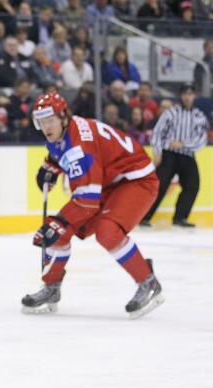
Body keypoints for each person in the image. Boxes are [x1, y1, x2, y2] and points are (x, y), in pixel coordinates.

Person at [23, 92, 164, 319]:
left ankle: (149, 282)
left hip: (136, 181)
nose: (46, 127)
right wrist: (51, 166)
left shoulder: (80, 148)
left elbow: (87, 202)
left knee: (105, 231)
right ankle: (52, 288)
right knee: (59, 232)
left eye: (50, 120)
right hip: (109, 180)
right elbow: (63, 151)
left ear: (63, 117)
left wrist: (58, 223)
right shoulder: (65, 131)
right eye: (41, 121)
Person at [142, 83, 209, 228]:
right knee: (159, 185)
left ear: (194, 96)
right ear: (181, 96)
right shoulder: (170, 113)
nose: (187, 97)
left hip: (187, 155)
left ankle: (180, 217)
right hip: (169, 155)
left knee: (192, 185)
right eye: (185, 94)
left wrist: (183, 143)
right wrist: (157, 151)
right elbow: (158, 132)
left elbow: (202, 139)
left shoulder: (199, 116)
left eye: (190, 94)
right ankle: (144, 217)